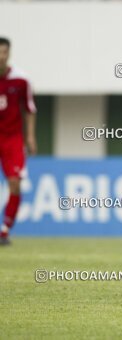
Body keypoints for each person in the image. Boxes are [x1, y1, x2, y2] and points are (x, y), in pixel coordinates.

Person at [0, 37, 37, 246]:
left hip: (12, 139)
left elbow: (30, 109)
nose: (1, 56)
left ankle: (4, 230)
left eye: (4, 52)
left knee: (15, 183)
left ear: (9, 53)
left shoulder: (21, 79)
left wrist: (30, 137)